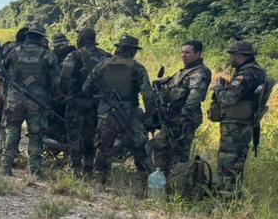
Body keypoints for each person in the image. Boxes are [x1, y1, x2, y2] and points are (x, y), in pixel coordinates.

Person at [82, 34, 156, 188]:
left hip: (106, 112)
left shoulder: (102, 65)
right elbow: (148, 95)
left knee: (103, 146)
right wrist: (149, 117)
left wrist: (99, 101)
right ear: (133, 51)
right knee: (140, 146)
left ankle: (99, 181)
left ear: (118, 48)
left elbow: (86, 88)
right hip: (129, 113)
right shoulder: (137, 68)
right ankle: (147, 183)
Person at [207, 40, 272, 195]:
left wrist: (219, 89)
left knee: (229, 163)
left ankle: (228, 198)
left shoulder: (247, 74)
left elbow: (229, 98)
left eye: (232, 54)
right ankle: (226, 195)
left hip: (237, 126)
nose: (230, 58)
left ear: (239, 55)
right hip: (240, 125)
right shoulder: (255, 72)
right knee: (233, 162)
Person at [0, 23, 60, 178]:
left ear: (28, 36)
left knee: (12, 132)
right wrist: (52, 97)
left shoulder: (14, 52)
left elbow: (3, 70)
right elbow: (56, 82)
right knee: (36, 135)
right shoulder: (47, 55)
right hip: (37, 102)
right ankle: (35, 171)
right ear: (41, 38)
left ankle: (5, 167)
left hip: (15, 99)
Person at [150, 40, 212, 173]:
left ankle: (179, 183)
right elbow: (175, 85)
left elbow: (195, 95)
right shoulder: (186, 71)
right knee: (159, 146)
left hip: (184, 120)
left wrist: (184, 114)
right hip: (171, 118)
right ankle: (161, 176)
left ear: (198, 54)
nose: (183, 55)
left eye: (188, 52)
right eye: (182, 52)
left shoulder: (199, 72)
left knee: (178, 154)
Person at [58, 28, 111, 175]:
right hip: (97, 104)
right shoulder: (105, 56)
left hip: (76, 102)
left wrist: (63, 94)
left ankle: (75, 167)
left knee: (74, 135)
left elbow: (64, 76)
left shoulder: (75, 55)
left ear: (81, 39)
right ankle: (88, 167)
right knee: (91, 135)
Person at [0, 27, 26, 155]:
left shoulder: (8, 47)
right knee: (9, 124)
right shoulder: (23, 51)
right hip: (13, 91)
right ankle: (6, 152)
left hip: (0, 88)